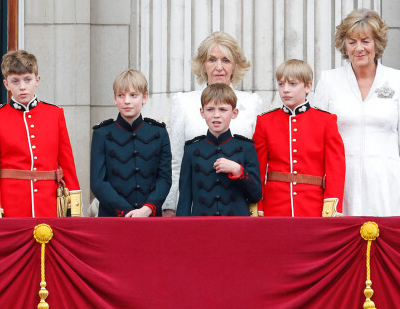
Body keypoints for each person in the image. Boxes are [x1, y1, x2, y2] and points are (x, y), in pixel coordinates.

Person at [310, 10, 400, 216]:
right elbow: (317, 142)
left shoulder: (398, 80)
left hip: (386, 186)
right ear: (344, 45)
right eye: (352, 42)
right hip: (341, 186)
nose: (359, 48)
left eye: (365, 41)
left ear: (377, 44)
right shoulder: (329, 81)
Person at [147, 31, 264, 215]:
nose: (219, 67)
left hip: (239, 209)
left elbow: (257, 163)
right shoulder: (183, 102)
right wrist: (170, 206)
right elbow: (175, 161)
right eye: (212, 60)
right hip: (200, 209)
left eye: (225, 60)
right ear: (203, 64)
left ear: (235, 66)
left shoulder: (251, 102)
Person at [0, 49, 80, 218]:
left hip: (49, 206)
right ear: (6, 84)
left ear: (37, 80)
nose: (22, 87)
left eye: (28, 79)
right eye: (15, 81)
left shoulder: (55, 114)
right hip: (12, 206)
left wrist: (74, 207)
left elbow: (67, 163)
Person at [253, 60, 345, 218]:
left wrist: (330, 207)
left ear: (308, 86)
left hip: (313, 207)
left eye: (293, 84)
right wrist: (257, 206)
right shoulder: (265, 122)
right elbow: (257, 170)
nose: (285, 90)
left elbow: (335, 169)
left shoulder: (326, 121)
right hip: (275, 206)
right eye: (281, 84)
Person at [88, 69, 170, 218]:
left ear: (144, 97)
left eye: (133, 95)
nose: (127, 101)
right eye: (121, 95)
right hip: (113, 218)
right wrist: (126, 212)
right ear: (114, 98)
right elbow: (98, 182)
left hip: (150, 217)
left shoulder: (159, 133)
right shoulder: (102, 134)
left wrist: (147, 209)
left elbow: (164, 178)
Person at [175, 84, 263, 217]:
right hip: (201, 227)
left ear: (234, 113)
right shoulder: (191, 150)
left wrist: (238, 170)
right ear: (202, 112)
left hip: (237, 227)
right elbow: (184, 200)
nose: (216, 115)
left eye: (222, 109)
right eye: (210, 109)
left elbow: (256, 195)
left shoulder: (246, 148)